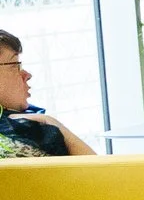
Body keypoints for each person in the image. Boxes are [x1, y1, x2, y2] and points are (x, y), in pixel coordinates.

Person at [0, 29, 96, 157]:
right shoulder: (21, 135)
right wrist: (54, 125)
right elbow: (99, 173)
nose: (27, 75)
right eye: (15, 65)